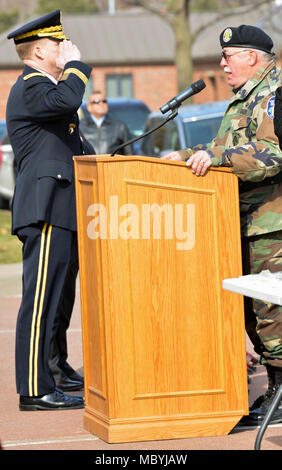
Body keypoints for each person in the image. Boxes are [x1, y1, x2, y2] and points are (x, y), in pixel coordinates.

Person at [163, 24, 282, 426]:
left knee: (272, 313)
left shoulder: (275, 96)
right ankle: (276, 391)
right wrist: (181, 155)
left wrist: (218, 160)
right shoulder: (242, 99)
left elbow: (272, 153)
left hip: (272, 224)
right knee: (253, 311)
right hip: (243, 223)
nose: (221, 64)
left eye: (228, 56)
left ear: (252, 56)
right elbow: (220, 148)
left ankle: (280, 396)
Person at [6, 10, 94, 410]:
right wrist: (76, 65)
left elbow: (71, 142)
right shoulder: (31, 84)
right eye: (59, 43)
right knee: (40, 299)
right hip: (44, 207)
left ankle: (55, 369)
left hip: (61, 205)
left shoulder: (45, 86)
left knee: (57, 297)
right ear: (39, 50)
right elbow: (68, 99)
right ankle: (35, 388)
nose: (66, 47)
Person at [79, 91, 133, 155]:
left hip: (113, 165)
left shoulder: (119, 126)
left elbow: (130, 154)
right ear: (89, 107)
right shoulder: (80, 126)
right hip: (88, 164)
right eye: (96, 101)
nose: (101, 104)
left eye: (104, 101)